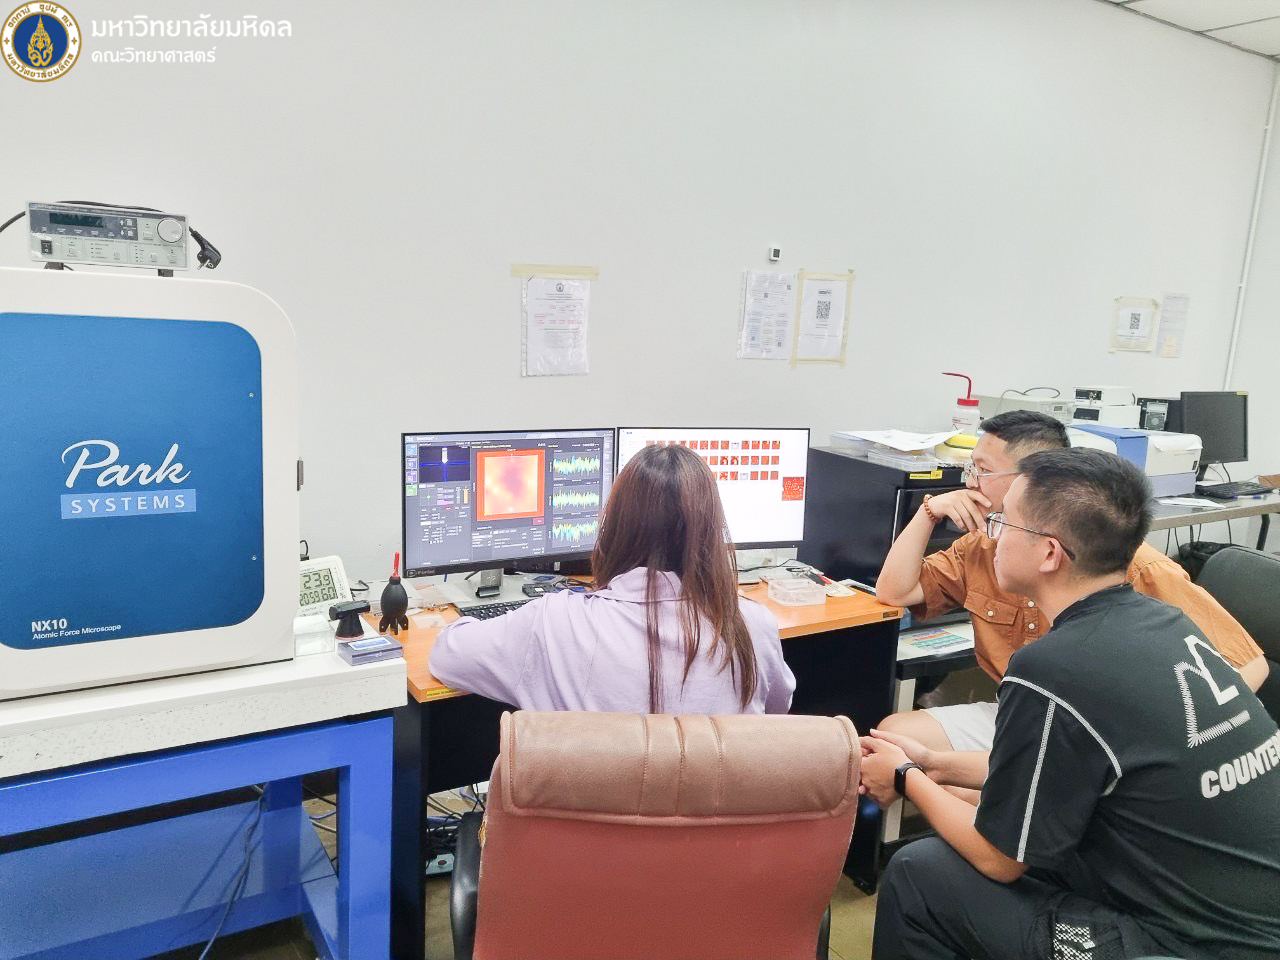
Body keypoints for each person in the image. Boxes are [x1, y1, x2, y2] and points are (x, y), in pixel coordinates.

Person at [862, 449, 1280, 960]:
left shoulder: (1054, 666)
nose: (993, 535)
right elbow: (1052, 776)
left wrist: (906, 778)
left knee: (919, 873)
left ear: (1049, 554)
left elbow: (1000, 859)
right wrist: (934, 764)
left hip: (1189, 942)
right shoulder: (1166, 624)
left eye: (1004, 523)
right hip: (1237, 907)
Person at [876, 410, 1266, 753]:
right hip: (1029, 716)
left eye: (982, 469)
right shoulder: (983, 545)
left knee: (967, 786)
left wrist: (1157, 740)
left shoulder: (1129, 566)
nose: (970, 481)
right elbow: (895, 592)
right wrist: (929, 512)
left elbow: (1249, 666)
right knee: (896, 740)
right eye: (970, 468)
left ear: (1032, 480)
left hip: (1104, 733)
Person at [428, 443, 796, 714]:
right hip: (712, 800)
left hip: (593, 802)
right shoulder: (751, 625)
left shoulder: (553, 621)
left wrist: (462, 621)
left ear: (615, 526)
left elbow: (447, 657)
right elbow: (775, 712)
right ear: (711, 532)